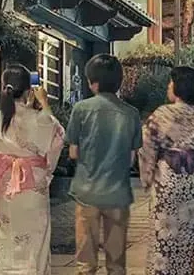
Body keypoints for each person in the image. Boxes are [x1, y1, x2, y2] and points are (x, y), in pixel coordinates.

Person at [0, 65, 65, 274]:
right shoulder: (40, 118)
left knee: (5, 241)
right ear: (29, 91)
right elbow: (57, 138)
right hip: (32, 186)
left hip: (5, 187)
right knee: (35, 242)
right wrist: (44, 103)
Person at [66, 54, 141, 275]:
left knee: (85, 263)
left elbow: (73, 153)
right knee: (116, 264)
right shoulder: (131, 113)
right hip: (117, 192)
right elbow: (131, 158)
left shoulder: (81, 109)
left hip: (87, 192)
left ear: (93, 82)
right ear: (119, 81)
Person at [139, 66, 194, 275]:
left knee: (163, 236)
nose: (168, 86)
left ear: (180, 87)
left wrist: (147, 176)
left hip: (167, 181)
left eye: (171, 82)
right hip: (190, 182)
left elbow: (147, 146)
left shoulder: (163, 113)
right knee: (185, 237)